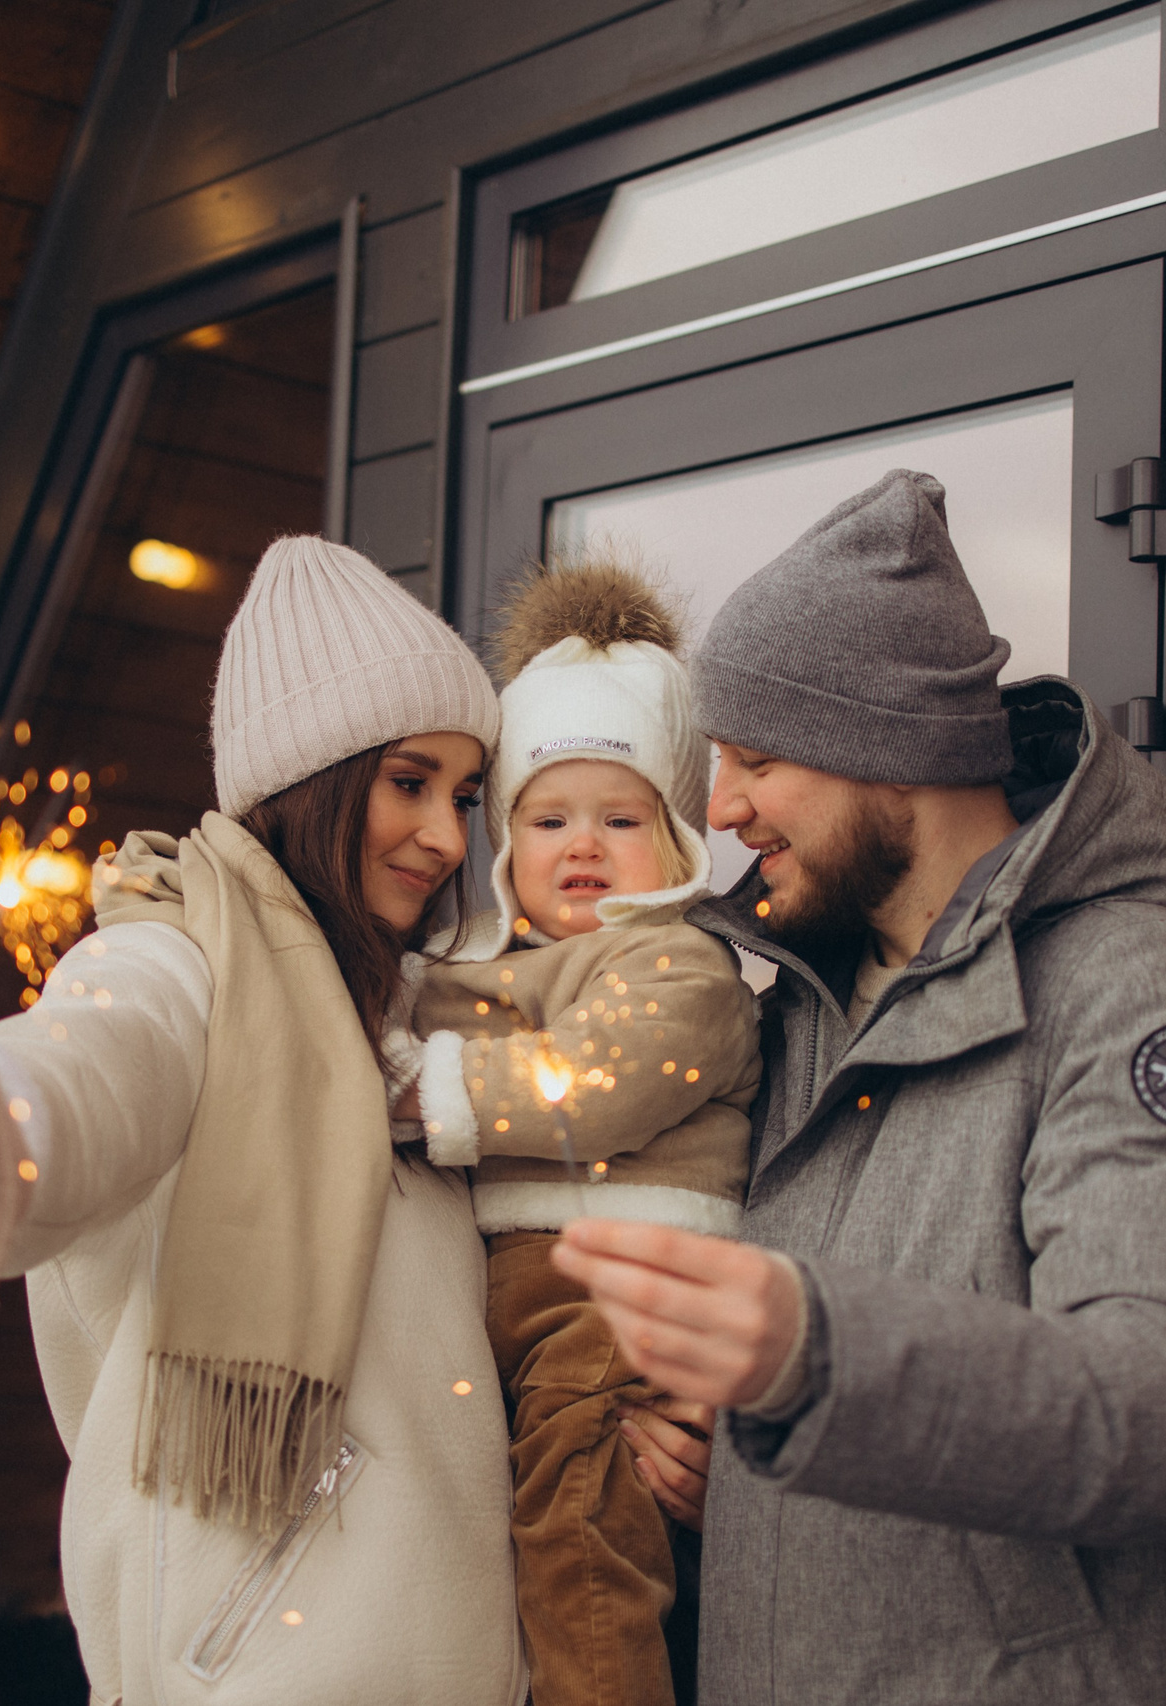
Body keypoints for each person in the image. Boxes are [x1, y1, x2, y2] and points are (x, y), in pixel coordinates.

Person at [549, 470, 1166, 1703]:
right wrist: (730, 1454)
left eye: (756, 758)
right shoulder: (793, 1013)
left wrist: (808, 1352)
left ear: (886, 751)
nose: (719, 807)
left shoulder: (1141, 990)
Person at [0, 536, 531, 1705]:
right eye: (409, 780)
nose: (444, 834)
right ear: (313, 776)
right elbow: (92, 1072)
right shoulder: (174, 960)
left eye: (464, 795)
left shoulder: (406, 1040)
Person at [400, 558, 759, 1706]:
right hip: (528, 1304)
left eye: (621, 816)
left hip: (621, 1290)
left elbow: (600, 1081)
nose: (583, 844)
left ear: (681, 839)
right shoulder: (498, 966)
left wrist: (420, 1095)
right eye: (548, 818)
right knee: (524, 1532)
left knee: (579, 1539)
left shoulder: (681, 961)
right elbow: (403, 1002)